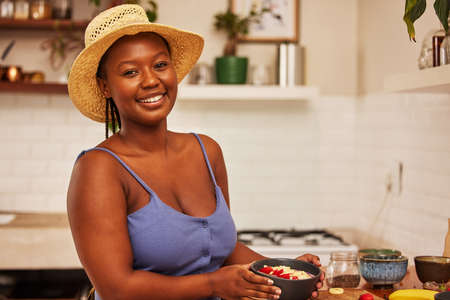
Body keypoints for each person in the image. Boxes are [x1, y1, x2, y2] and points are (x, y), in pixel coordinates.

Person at [66, 4, 324, 300]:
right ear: (106, 86)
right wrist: (215, 284)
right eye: (130, 71)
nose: (151, 80)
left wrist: (282, 271)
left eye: (160, 65)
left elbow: (223, 251)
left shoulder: (206, 151)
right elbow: (116, 288)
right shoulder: (99, 169)